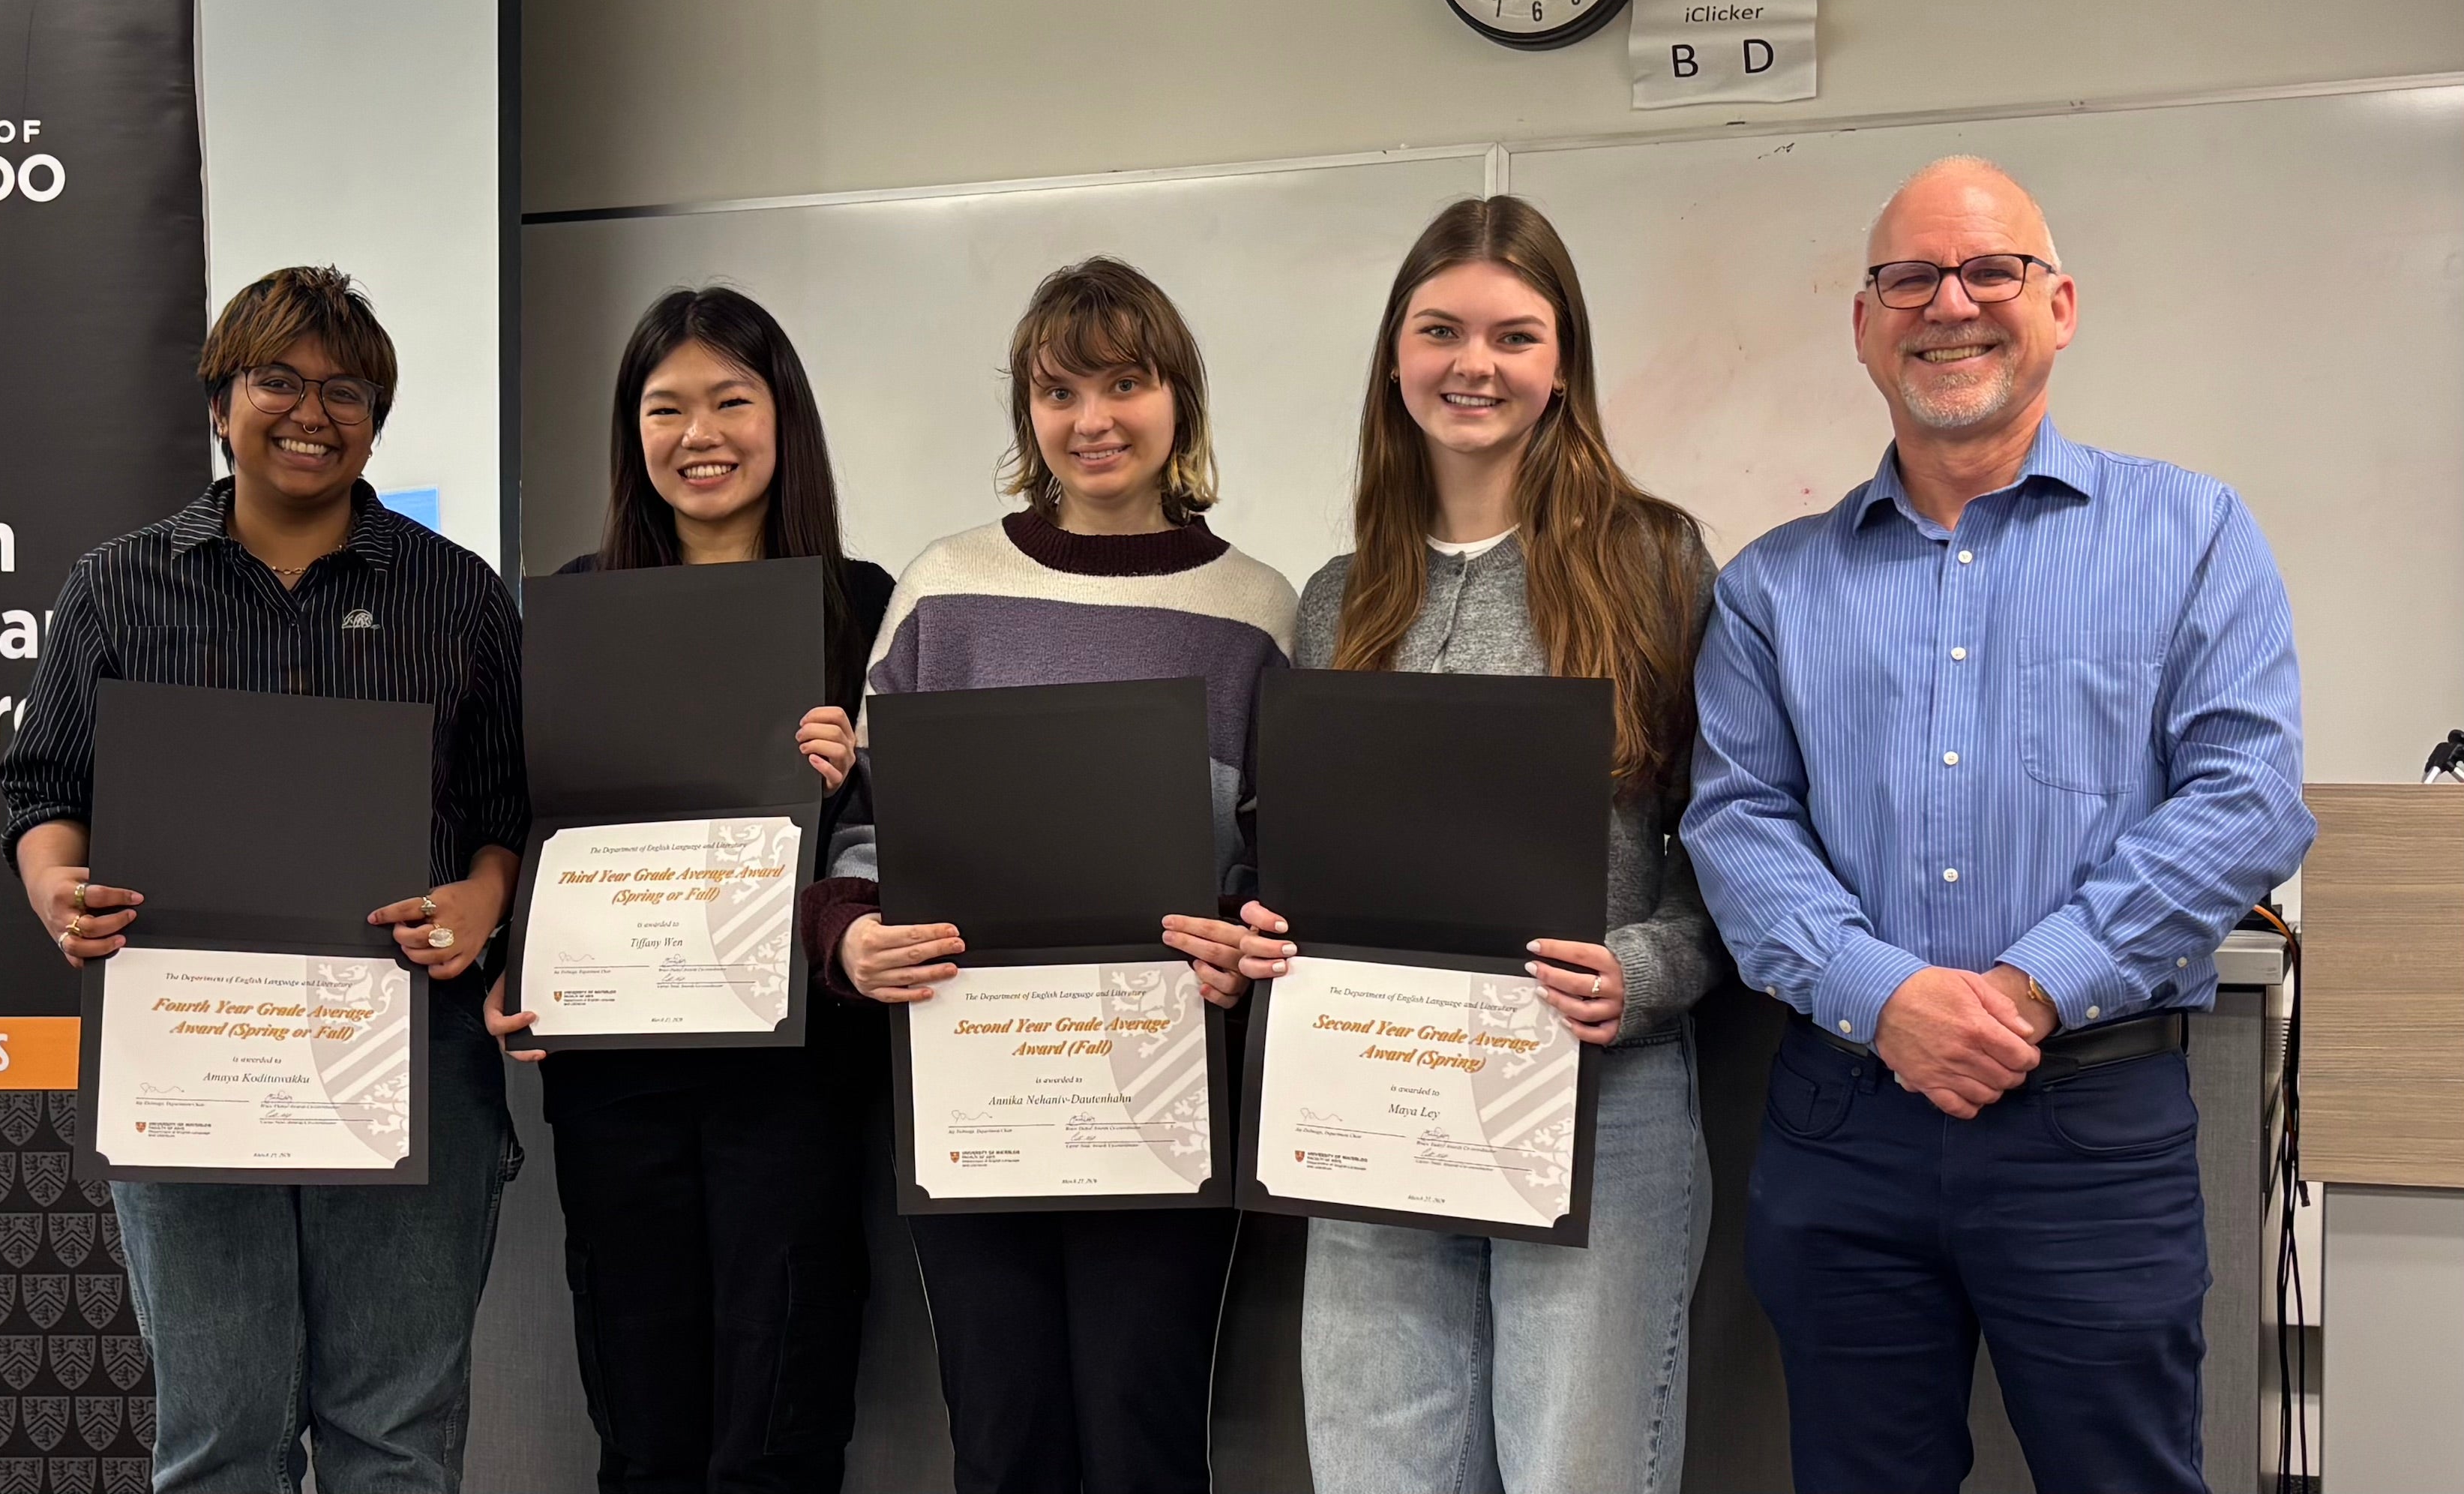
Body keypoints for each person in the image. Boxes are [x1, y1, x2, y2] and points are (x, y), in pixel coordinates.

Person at [1678, 156, 2316, 1493]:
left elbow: (2245, 797)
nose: (1947, 303)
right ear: (1863, 325)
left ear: (2060, 304)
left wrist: (2030, 990)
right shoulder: (1769, 589)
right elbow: (1737, 824)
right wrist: (1884, 995)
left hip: (2090, 1123)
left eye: (1990, 271)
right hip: (1841, 1121)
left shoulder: (2192, 533)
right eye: (1907, 276)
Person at [1209, 195, 1725, 1494]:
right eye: (1438, 330)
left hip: (1596, 1100)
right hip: (1370, 1101)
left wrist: (1643, 972)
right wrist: (1279, 928)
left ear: (1562, 365)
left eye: (1512, 334)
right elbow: (1309, 857)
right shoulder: (1338, 594)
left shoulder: (1657, 563)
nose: (1471, 365)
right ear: (1395, 356)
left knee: (1579, 1473)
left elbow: (1733, 850)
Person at [0, 265, 529, 1492]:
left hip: (408, 1050)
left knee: (394, 1443)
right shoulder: (116, 586)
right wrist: (55, 888)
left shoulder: (456, 596)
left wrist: (480, 902)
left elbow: (508, 813)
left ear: (377, 419)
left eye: (346, 390)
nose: (311, 412)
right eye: (276, 381)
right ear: (220, 402)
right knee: (216, 1442)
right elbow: (41, 790)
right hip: (191, 1053)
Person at [796, 257, 1296, 1494]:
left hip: (1165, 1089)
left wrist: (1245, 936)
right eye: (1059, 391)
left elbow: (1275, 851)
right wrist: (849, 936)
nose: (1093, 420)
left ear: (1179, 399)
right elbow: (867, 823)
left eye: (1126, 383)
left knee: (1145, 1436)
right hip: (972, 1087)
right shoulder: (944, 590)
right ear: (1027, 413)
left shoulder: (1259, 609)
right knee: (1003, 1435)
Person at [484, 286, 893, 1494]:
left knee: (781, 1413)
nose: (698, 434)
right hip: (619, 1073)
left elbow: (916, 839)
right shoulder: (574, 603)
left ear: (783, 419)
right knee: (644, 1419)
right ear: (633, 431)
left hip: (795, 1072)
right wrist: (517, 955)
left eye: (731, 400)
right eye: (666, 408)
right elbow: (527, 813)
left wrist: (857, 771)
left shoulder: (865, 605)